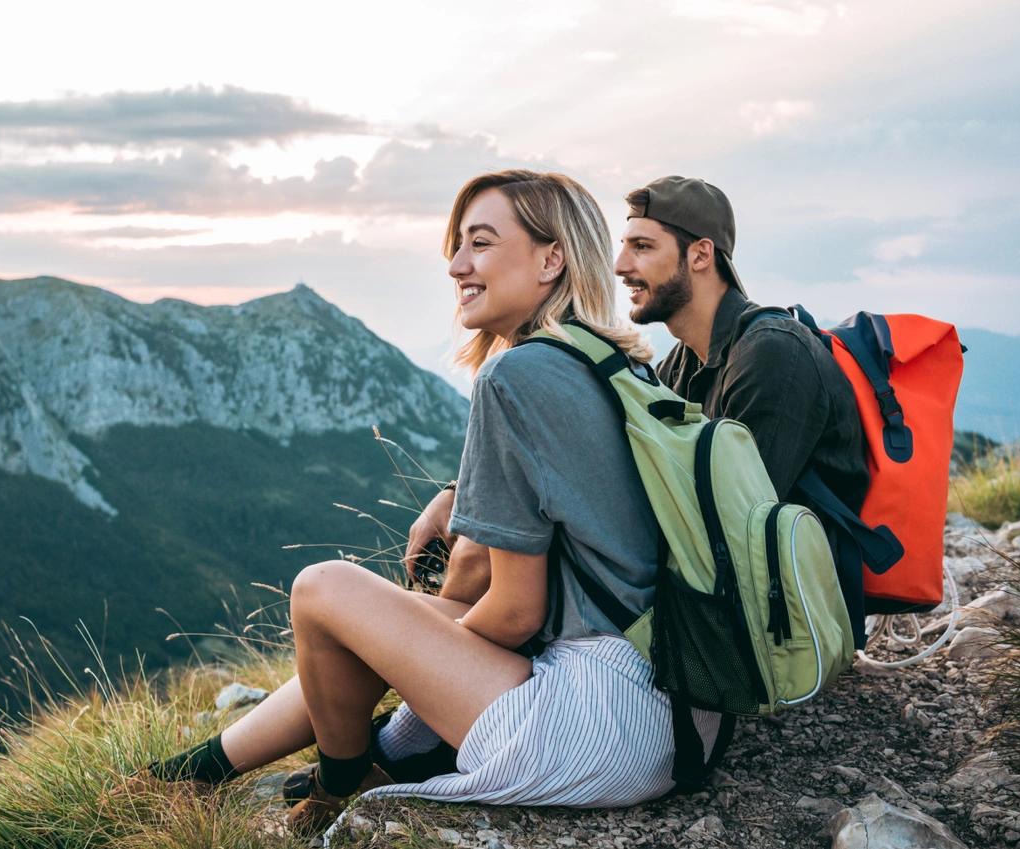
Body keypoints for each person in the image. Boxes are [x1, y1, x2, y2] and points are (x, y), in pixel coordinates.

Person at [117, 170, 721, 834]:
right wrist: (448, 522)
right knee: (391, 619)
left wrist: (409, 691)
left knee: (323, 588)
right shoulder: (613, 363)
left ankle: (340, 778)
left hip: (600, 722)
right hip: (676, 711)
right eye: (457, 247)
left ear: (552, 258)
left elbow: (516, 611)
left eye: (481, 244)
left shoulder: (514, 373)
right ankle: (189, 775)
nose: (458, 265)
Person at [399, 175, 870, 770]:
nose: (620, 265)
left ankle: (426, 718)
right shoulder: (677, 366)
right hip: (720, 614)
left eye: (643, 247)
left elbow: (723, 535)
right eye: (622, 246)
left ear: (701, 255)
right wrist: (457, 490)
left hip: (784, 620)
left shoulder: (772, 355)